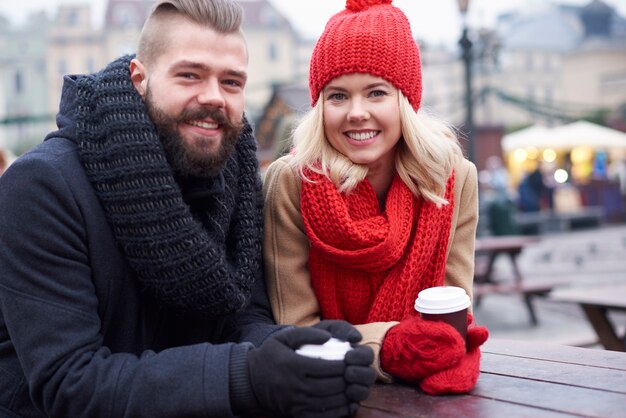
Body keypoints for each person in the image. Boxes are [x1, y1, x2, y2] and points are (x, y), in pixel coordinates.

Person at [0, 1, 376, 417]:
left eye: (231, 82)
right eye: (189, 75)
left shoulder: (232, 177)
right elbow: (70, 383)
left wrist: (298, 352)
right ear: (139, 79)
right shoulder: (42, 187)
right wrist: (247, 375)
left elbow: (242, 318)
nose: (213, 97)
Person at [263, 0, 488, 396]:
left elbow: (453, 309)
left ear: (406, 101)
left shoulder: (454, 180)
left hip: (423, 392)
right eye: (337, 96)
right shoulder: (293, 183)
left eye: (376, 92)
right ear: (319, 107)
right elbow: (297, 330)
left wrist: (448, 342)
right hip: (329, 392)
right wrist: (390, 347)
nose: (356, 112)